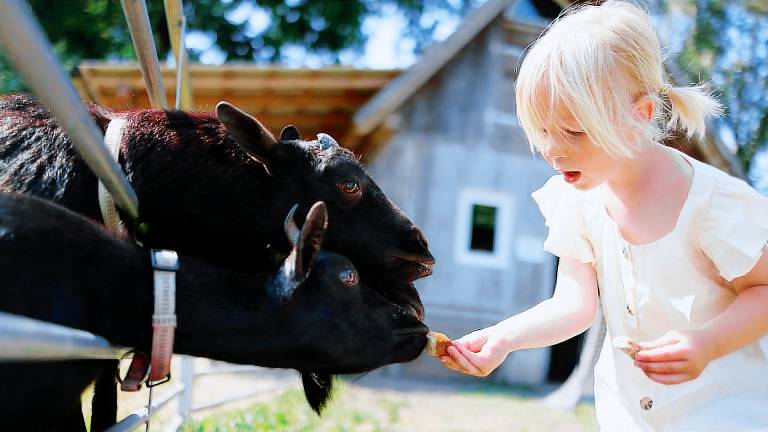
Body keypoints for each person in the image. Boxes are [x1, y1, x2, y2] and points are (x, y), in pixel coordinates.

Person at [439, 1, 768, 430]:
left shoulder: (711, 202)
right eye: (543, 131)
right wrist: (504, 339)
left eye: (574, 131)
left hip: (723, 409)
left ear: (641, 114)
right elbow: (573, 305)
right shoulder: (579, 200)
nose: (554, 150)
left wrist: (707, 342)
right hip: (630, 412)